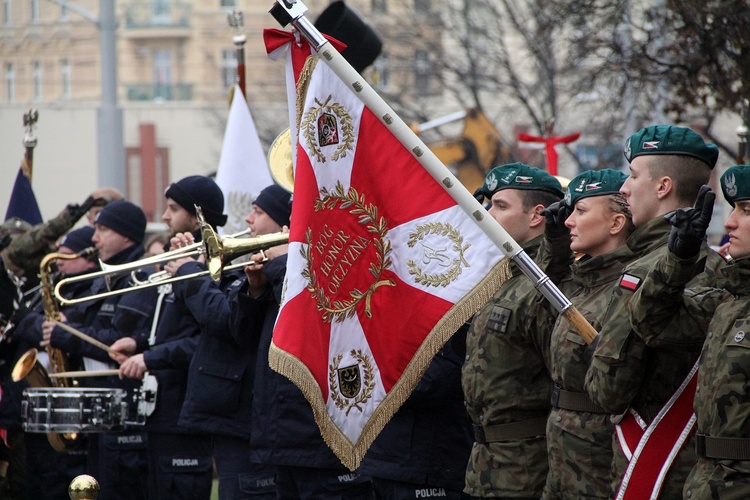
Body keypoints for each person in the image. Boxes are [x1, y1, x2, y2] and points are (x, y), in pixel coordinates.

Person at [583, 125, 726, 498]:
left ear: (663, 186)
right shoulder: (645, 258)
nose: (624, 189)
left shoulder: (685, 264)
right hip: (635, 454)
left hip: (667, 463)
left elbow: (612, 389)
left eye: (632, 176)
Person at [231, 184, 374, 498]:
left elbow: (319, 318)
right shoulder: (275, 273)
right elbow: (244, 338)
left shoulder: (326, 262)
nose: (248, 220)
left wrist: (284, 263)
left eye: (258, 212)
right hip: (281, 437)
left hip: (317, 437)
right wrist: (255, 291)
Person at [628, 164, 750, 498]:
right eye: (735, 209)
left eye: (746, 211)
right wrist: (678, 260)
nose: (729, 223)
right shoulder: (730, 298)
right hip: (706, 483)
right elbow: (649, 325)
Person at [111, 175, 227, 500]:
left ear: (198, 216)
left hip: (187, 411)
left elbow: (205, 341)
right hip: (161, 409)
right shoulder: (176, 260)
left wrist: (149, 358)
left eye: (173, 208)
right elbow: (173, 330)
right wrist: (139, 344)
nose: (164, 217)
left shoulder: (214, 266)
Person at [175, 184, 293, 499]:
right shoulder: (254, 267)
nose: (249, 219)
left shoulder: (283, 270)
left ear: (283, 224)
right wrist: (195, 266)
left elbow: (222, 320)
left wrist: (192, 275)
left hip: (247, 416)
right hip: (233, 413)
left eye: (259, 212)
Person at [462, 162, 565, 498]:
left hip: (527, 466)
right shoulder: (502, 276)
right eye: (488, 204)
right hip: (486, 460)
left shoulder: (550, 283)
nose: (487, 214)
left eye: (501, 206)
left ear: (537, 215)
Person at [42, 199, 154, 500]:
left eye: (102, 229)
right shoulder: (106, 280)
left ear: (126, 235)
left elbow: (118, 341)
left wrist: (66, 333)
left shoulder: (138, 279)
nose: (94, 238)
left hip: (123, 413)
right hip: (99, 411)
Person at [540, 169, 636, 499]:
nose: (569, 221)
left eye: (581, 211)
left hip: (598, 459)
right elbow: (539, 295)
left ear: (615, 223)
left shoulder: (628, 287)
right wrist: (554, 245)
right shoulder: (583, 282)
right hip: (561, 458)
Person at [10, 226, 98, 500]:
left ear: (89, 258)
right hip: (41, 407)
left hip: (71, 403)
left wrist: (37, 324)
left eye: (68, 254)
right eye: (59, 253)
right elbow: (24, 322)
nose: (60, 259)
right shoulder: (52, 284)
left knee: (60, 482)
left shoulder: (87, 290)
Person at [358, 323, 473, 499]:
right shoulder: (384, 309)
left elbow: (442, 378)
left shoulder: (453, 309)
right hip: (399, 460)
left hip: (423, 462)